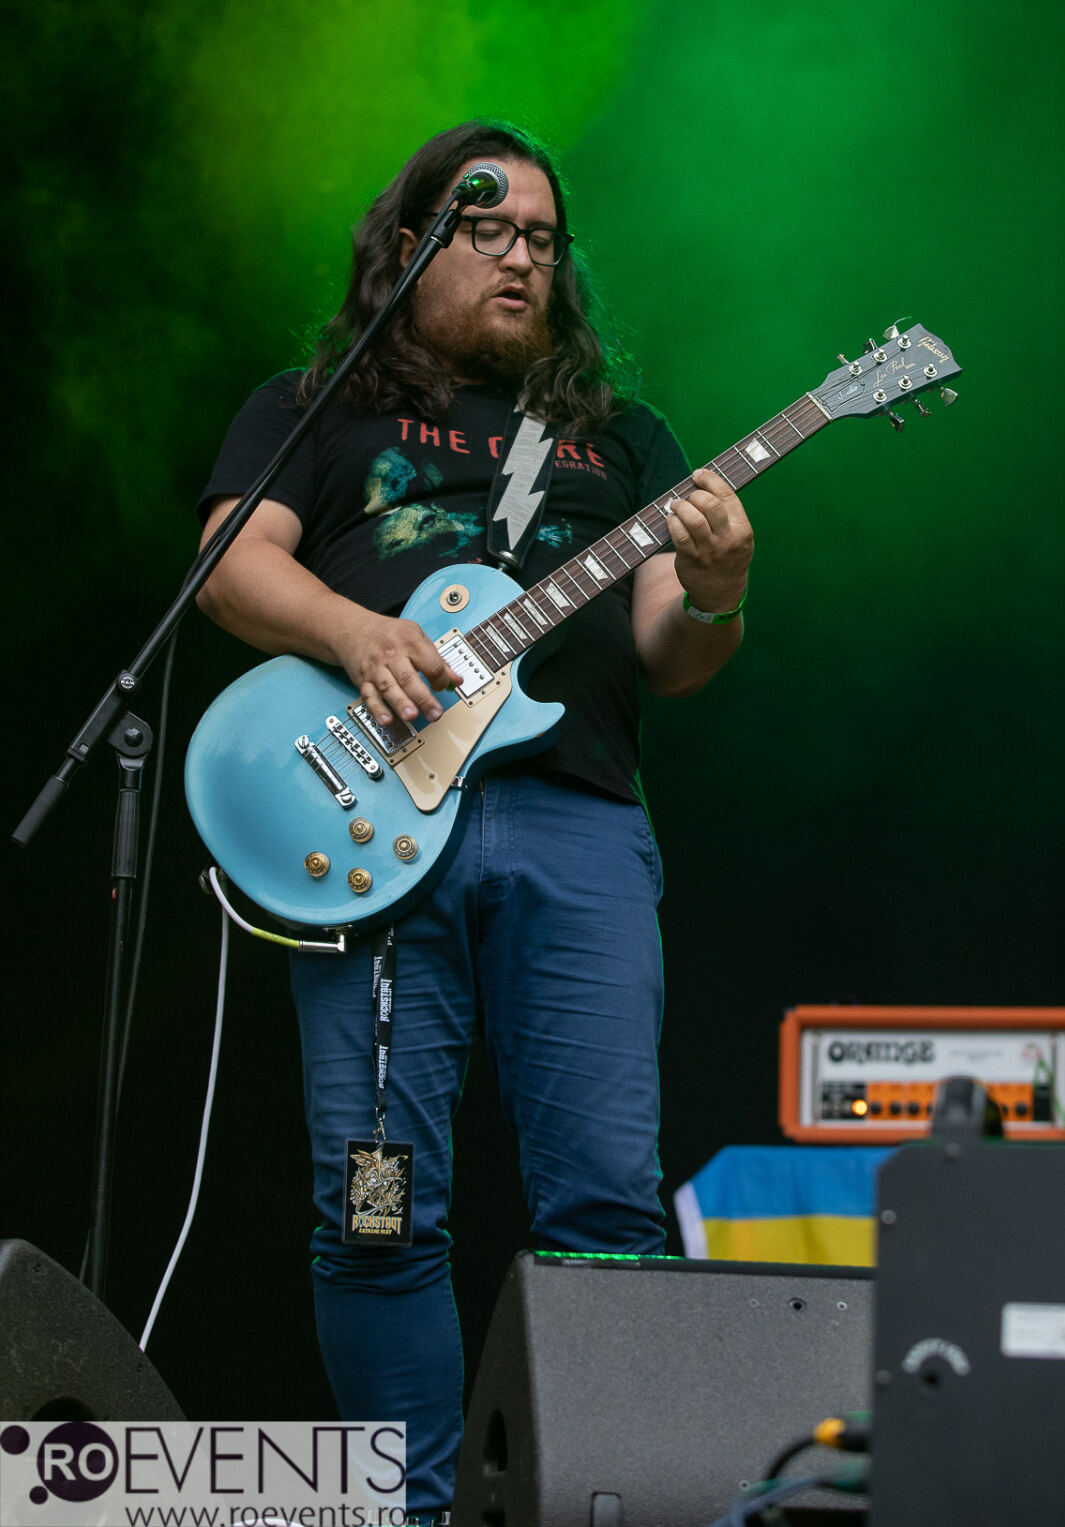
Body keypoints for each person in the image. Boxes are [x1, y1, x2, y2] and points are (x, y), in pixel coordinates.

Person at [194, 119, 753, 1519]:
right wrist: (355, 634)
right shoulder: (317, 407)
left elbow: (673, 656)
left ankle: (597, 1505)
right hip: (367, 839)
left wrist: (720, 592)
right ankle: (416, 1509)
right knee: (374, 1212)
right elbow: (228, 565)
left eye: (543, 242)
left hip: (576, 830)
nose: (520, 259)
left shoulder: (624, 439)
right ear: (410, 245)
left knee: (608, 1205)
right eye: (487, 229)